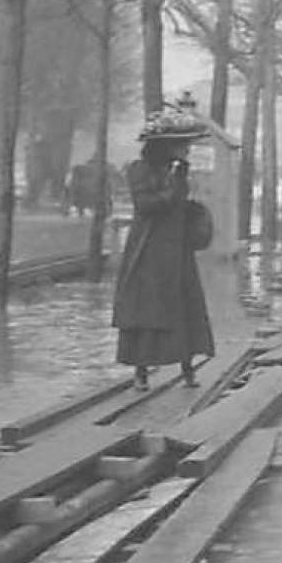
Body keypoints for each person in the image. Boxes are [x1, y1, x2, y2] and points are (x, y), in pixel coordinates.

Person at [111, 117, 215, 392]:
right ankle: (141, 371)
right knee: (148, 309)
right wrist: (173, 189)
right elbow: (146, 205)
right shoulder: (139, 170)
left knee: (183, 305)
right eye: (182, 145)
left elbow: (179, 203)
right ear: (168, 147)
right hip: (148, 249)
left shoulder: (177, 171)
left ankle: (187, 368)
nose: (187, 151)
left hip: (177, 249)